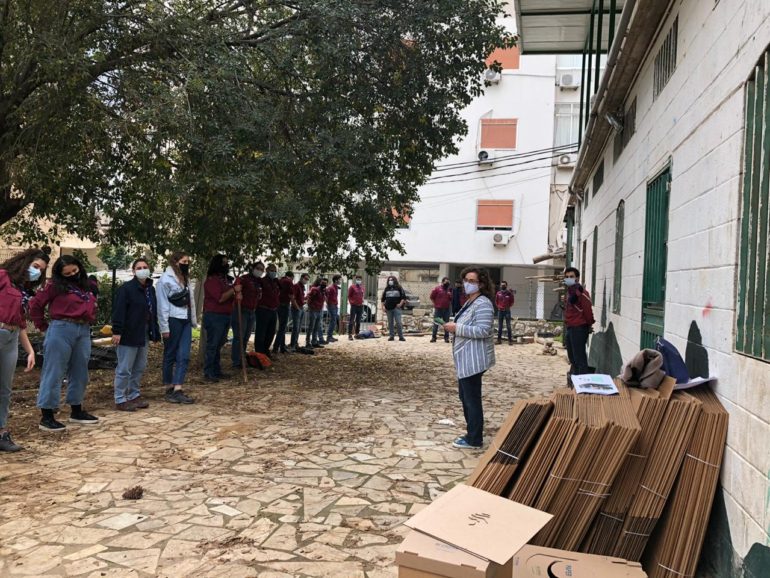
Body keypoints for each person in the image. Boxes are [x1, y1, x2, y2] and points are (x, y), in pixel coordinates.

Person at [30, 254, 99, 432]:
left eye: (74, 271)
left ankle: (76, 409)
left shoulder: (86, 286)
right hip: (61, 328)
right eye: (67, 273)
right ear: (60, 274)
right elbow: (35, 305)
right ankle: (47, 415)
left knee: (80, 370)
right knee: (54, 371)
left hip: (83, 330)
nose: (72, 275)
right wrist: (42, 326)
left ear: (79, 268)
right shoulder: (54, 286)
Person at [0, 248, 50, 450]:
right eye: (35, 266)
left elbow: (21, 323)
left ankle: (2, 433)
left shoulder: (23, 290)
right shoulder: (3, 276)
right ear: (25, 262)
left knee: (5, 389)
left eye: (41, 270)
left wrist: (29, 350)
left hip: (11, 338)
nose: (37, 271)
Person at [443, 267, 495, 450]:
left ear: (481, 284)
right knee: (465, 397)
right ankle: (471, 433)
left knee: (471, 399)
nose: (467, 284)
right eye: (466, 280)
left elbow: (483, 330)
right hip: (465, 359)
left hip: (474, 360)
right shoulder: (470, 302)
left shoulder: (483, 304)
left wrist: (456, 328)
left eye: (472, 281)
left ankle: (474, 438)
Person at [111, 258, 160, 411]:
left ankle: (134, 394)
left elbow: (153, 311)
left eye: (145, 267)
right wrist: (117, 331)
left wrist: (155, 331)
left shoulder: (150, 289)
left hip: (143, 332)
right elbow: (119, 311)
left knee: (139, 366)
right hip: (128, 333)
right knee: (125, 368)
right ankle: (120, 398)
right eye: (139, 267)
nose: (142, 269)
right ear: (133, 271)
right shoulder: (126, 289)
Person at [156, 251, 197, 404]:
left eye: (188, 262)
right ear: (175, 262)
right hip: (172, 319)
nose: (186, 264)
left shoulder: (186, 278)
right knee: (170, 354)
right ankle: (168, 387)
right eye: (184, 261)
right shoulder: (165, 280)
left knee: (184, 355)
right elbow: (162, 305)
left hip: (185, 319)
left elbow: (190, 301)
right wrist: (164, 327)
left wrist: (193, 319)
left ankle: (178, 388)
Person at [202, 255, 238, 382]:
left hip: (225, 315)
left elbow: (229, 296)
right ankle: (208, 372)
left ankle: (216, 370)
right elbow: (221, 298)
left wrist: (235, 293)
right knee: (213, 345)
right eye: (224, 263)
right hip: (214, 316)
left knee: (218, 344)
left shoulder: (224, 280)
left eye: (227, 263)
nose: (226, 265)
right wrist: (233, 290)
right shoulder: (212, 280)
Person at [562, 267, 595, 376]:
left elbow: (588, 311)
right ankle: (575, 382)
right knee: (572, 358)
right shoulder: (570, 293)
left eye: (571, 276)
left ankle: (583, 385)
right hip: (570, 327)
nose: (569, 279)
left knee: (579, 358)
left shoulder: (583, 293)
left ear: (577, 278)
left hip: (579, 328)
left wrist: (589, 325)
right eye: (566, 277)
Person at [231, 263, 261, 369]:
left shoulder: (258, 282)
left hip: (252, 312)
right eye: (258, 268)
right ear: (252, 268)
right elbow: (235, 288)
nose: (260, 271)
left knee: (245, 338)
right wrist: (237, 294)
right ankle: (236, 361)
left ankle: (241, 359)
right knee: (239, 337)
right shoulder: (244, 278)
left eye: (262, 269)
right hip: (242, 311)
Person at [255, 263, 280, 357]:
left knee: (271, 332)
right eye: (271, 270)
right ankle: (259, 353)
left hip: (273, 310)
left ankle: (266, 351)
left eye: (275, 271)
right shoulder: (262, 281)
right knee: (261, 332)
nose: (273, 272)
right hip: (263, 309)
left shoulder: (276, 282)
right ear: (267, 271)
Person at [273, 271, 295, 354]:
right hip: (284, 305)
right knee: (282, 328)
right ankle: (276, 347)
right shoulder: (289, 282)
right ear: (291, 276)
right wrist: (296, 306)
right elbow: (291, 296)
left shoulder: (280, 280)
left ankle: (282, 347)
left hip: (277, 304)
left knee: (282, 327)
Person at [381, 275, 406, 341]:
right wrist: (383, 307)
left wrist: (400, 304)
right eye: (389, 280)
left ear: (394, 280)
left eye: (391, 280)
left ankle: (401, 336)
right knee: (390, 323)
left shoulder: (399, 288)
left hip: (396, 308)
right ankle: (391, 336)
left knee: (398, 322)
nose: (390, 281)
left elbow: (403, 297)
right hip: (388, 308)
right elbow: (383, 299)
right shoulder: (386, 289)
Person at [290, 273, 310, 350]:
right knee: (296, 327)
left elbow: (300, 298)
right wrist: (297, 308)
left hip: (301, 307)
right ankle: (293, 345)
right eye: (305, 278)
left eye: (307, 279)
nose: (306, 280)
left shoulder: (302, 287)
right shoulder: (296, 286)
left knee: (298, 327)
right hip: (297, 308)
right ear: (301, 278)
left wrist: (305, 300)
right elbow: (293, 299)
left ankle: (295, 343)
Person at [429, 277, 452, 343]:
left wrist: (450, 295)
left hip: (446, 309)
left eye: (448, 282)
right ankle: (433, 337)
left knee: (446, 324)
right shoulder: (437, 288)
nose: (447, 283)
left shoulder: (449, 289)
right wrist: (435, 304)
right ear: (442, 282)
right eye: (446, 282)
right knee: (436, 323)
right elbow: (432, 297)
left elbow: (451, 299)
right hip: (438, 309)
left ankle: (446, 338)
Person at [306, 278, 326, 348]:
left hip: (319, 310)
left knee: (316, 327)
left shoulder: (323, 291)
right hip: (313, 310)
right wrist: (310, 306)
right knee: (311, 327)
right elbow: (308, 297)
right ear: (319, 283)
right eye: (323, 283)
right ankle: (307, 342)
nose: (324, 285)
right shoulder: (314, 289)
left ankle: (314, 341)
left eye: (325, 284)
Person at [347, 274, 365, 340]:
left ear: (361, 280)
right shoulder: (352, 287)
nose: (359, 280)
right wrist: (351, 302)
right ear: (356, 280)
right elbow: (349, 296)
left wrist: (362, 301)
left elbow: (362, 295)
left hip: (360, 306)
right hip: (354, 306)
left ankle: (357, 334)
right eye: (357, 279)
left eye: (360, 279)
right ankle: (350, 335)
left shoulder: (362, 287)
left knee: (358, 321)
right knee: (352, 320)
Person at [325, 274, 341, 343]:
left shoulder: (335, 287)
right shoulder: (331, 288)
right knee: (333, 321)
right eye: (340, 279)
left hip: (334, 305)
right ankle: (329, 337)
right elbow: (326, 295)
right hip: (331, 305)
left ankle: (330, 336)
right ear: (336, 280)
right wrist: (328, 303)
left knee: (334, 321)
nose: (340, 281)